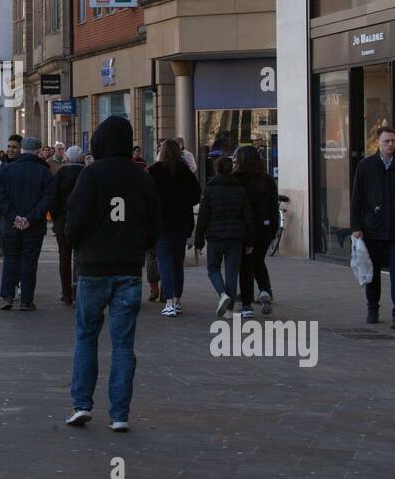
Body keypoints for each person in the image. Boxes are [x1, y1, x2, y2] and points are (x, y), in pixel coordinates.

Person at [64, 116, 163, 432]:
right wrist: (139, 246)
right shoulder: (142, 178)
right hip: (128, 271)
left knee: (86, 337)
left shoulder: (90, 175)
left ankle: (82, 405)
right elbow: (155, 226)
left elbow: (75, 220)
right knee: (123, 344)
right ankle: (119, 414)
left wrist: (77, 243)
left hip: (93, 268)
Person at [350, 124, 395, 328]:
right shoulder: (365, 166)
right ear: (377, 143)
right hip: (372, 229)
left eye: (393, 141)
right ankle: (373, 307)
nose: (390, 144)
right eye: (386, 141)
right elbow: (357, 199)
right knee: (373, 272)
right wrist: (356, 226)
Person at [0, 136, 55, 311]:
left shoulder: (6, 170)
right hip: (34, 226)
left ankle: (7, 296)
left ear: (22, 150)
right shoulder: (44, 172)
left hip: (10, 224)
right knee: (30, 261)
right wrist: (29, 218)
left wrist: (14, 217)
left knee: (10, 259)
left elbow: (0, 197)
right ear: (37, 151)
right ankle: (26, 300)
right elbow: (48, 199)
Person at [194, 155, 254, 318]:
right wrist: (250, 240)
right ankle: (229, 311)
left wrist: (198, 239)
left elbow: (203, 216)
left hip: (215, 236)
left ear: (217, 168)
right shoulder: (240, 189)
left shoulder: (210, 188)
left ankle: (223, 294)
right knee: (232, 272)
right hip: (236, 237)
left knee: (213, 268)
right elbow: (247, 216)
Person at [148, 139, 202, 317]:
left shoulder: (154, 171)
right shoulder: (185, 171)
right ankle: (177, 300)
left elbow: (145, 196)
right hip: (181, 222)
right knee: (178, 263)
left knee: (164, 262)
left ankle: (169, 301)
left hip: (161, 223)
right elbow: (196, 195)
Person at [234, 144, 280, 318]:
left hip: (246, 228)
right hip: (265, 227)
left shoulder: (238, 178)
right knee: (258, 259)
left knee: (246, 263)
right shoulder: (267, 179)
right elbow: (273, 205)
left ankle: (249, 296)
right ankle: (265, 289)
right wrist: (273, 227)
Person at [52, 145, 85, 305]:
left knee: (64, 257)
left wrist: (55, 216)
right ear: (81, 158)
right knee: (79, 257)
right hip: (82, 222)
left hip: (62, 222)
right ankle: (78, 291)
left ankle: (66, 293)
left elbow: (53, 197)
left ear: (67, 158)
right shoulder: (87, 173)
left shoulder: (61, 173)